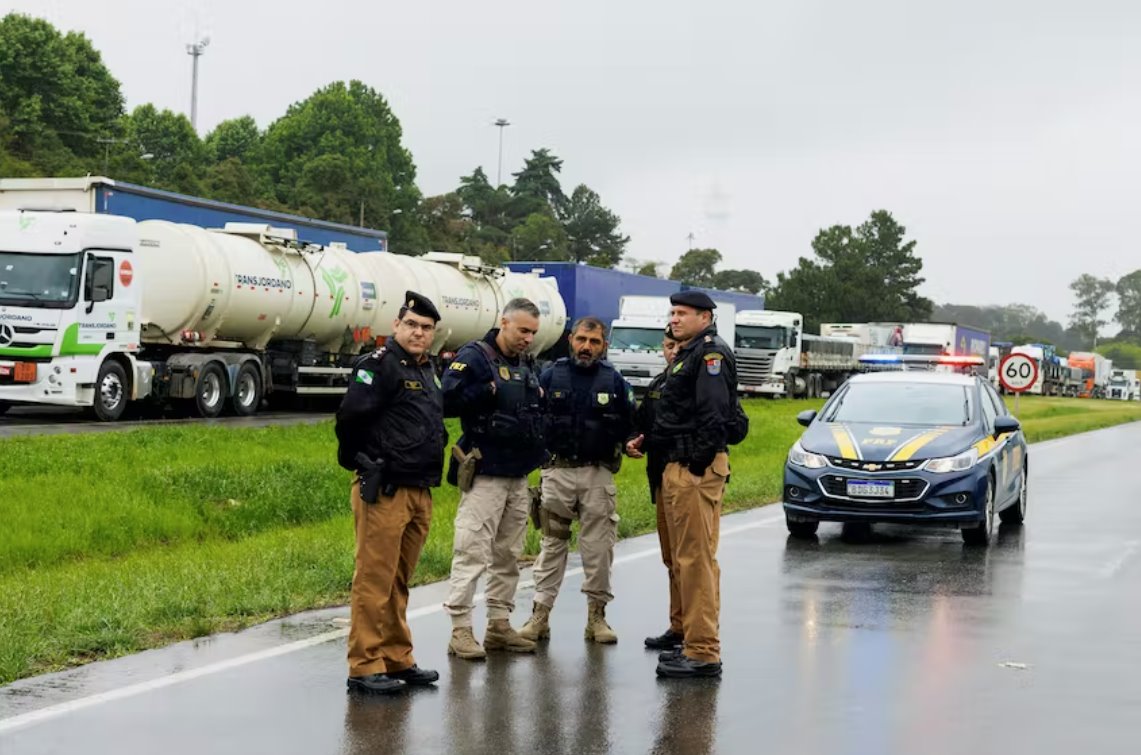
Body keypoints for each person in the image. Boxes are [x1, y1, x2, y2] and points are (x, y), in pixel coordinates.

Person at [334, 291, 446, 695]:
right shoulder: (377, 366)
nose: (418, 333)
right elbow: (349, 419)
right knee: (374, 578)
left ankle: (397, 657)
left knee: (399, 579)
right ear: (396, 325)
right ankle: (364, 665)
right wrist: (362, 463)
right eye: (411, 325)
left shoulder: (428, 368)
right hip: (386, 489)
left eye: (426, 328)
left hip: (419, 488)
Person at [441, 298, 547, 659]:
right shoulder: (475, 357)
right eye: (523, 330)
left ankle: (499, 625)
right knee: (472, 551)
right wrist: (485, 391)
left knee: (508, 555)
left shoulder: (525, 362)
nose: (528, 338)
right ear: (504, 323)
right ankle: (460, 629)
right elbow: (446, 400)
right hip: (485, 472)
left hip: (518, 473)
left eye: (533, 332)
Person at [519, 317, 635, 644]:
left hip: (597, 475)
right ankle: (539, 617)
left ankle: (597, 618)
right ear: (571, 339)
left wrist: (632, 442)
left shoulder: (614, 381)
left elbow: (631, 424)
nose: (586, 347)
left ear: (604, 346)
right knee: (552, 546)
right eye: (582, 339)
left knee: (599, 549)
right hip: (557, 473)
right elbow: (531, 416)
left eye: (594, 342)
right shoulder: (549, 375)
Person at [651, 291, 737, 679]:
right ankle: (688, 637)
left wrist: (698, 465)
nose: (675, 318)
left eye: (682, 313)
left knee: (696, 561)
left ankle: (703, 652)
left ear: (705, 317)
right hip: (677, 464)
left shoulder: (710, 355)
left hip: (693, 469)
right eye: (672, 312)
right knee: (682, 558)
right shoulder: (689, 354)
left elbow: (714, 415)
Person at [625, 327, 685, 653]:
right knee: (671, 557)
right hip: (661, 477)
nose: (673, 351)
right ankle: (678, 626)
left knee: (689, 559)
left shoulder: (699, 380)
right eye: (668, 345)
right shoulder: (659, 383)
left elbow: (733, 424)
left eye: (679, 345)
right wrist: (634, 440)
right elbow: (642, 423)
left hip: (688, 475)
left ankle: (696, 634)